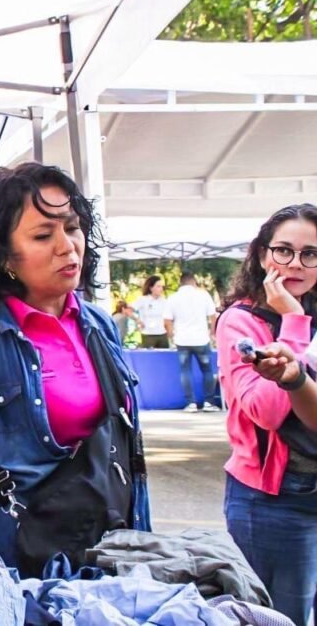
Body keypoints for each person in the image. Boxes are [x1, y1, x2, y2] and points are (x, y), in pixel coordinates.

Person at [0, 162, 150, 576]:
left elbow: (127, 455)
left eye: (72, 227)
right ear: (4, 254)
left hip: (109, 555)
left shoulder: (100, 325)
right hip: (21, 565)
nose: (67, 246)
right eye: (43, 235)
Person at [216, 203, 317, 626]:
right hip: (274, 500)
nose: (296, 263)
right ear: (262, 255)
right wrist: (293, 320)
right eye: (283, 250)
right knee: (277, 617)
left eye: (310, 254)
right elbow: (267, 412)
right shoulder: (240, 322)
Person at [165, 272, 219, 412]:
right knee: (207, 370)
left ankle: (191, 403)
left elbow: (167, 321)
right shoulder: (203, 295)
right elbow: (213, 316)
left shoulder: (173, 298)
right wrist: (213, 332)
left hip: (182, 339)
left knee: (185, 371)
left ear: (181, 283)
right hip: (201, 338)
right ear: (193, 282)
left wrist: (172, 336)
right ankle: (208, 402)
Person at [138, 275, 169, 349]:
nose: (161, 289)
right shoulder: (143, 300)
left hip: (162, 334)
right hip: (148, 335)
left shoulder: (164, 301)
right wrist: (137, 320)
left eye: (162, 286)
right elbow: (128, 310)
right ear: (151, 288)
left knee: (165, 354)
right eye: (158, 286)